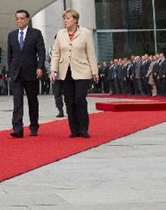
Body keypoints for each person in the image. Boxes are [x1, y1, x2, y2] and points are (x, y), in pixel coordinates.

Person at [50, 9, 99, 139]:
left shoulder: (85, 33)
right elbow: (56, 53)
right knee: (69, 101)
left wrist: (95, 71)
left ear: (75, 20)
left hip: (82, 71)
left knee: (80, 99)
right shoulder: (60, 34)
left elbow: (91, 53)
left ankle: (84, 129)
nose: (65, 21)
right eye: (64, 19)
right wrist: (53, 70)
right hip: (66, 71)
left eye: (68, 18)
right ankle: (74, 129)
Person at [7, 9, 46, 138]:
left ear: (27, 19)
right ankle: (17, 128)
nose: (19, 21)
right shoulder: (12, 35)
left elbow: (41, 52)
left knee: (32, 101)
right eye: (17, 18)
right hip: (16, 74)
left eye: (22, 18)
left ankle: (34, 126)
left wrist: (40, 67)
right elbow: (10, 55)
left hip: (31, 72)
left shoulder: (35, 34)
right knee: (17, 101)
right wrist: (10, 71)